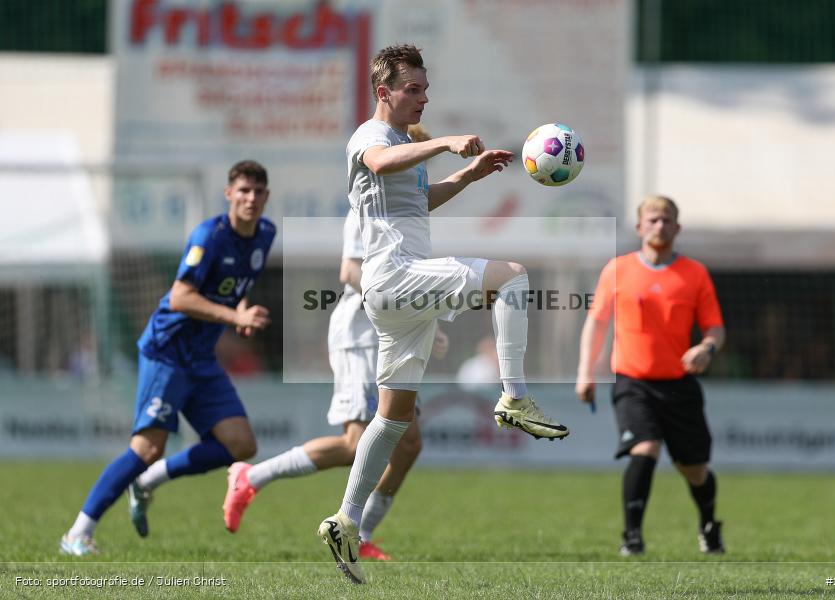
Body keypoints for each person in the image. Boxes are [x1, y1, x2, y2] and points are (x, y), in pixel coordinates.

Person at [317, 44, 569, 584]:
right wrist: (444, 142)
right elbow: (379, 161)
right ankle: (514, 397)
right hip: (396, 276)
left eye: (425, 89)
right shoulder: (371, 136)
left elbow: (419, 200)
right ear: (383, 92)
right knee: (513, 276)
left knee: (392, 419)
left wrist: (469, 175)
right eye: (412, 89)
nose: (422, 98)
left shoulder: (401, 144)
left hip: (391, 296)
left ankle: (345, 519)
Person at [59, 160, 276, 556]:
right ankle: (77, 533)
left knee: (241, 444)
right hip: (168, 351)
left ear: (266, 196)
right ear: (229, 194)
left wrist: (242, 308)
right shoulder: (209, 235)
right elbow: (180, 297)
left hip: (201, 357)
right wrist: (235, 318)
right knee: (146, 448)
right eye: (243, 191)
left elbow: (238, 282)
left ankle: (147, 481)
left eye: (258, 192)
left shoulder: (265, 234)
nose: (251, 198)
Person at [221, 209, 449, 561]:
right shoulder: (369, 206)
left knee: (408, 444)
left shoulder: (409, 208)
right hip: (360, 338)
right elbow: (351, 271)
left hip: (392, 337)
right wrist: (410, 309)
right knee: (357, 444)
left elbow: (406, 279)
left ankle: (361, 535)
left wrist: (425, 321)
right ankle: (251, 477)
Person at [575, 195, 727, 556]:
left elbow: (716, 328)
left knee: (694, 469)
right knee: (644, 449)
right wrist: (585, 372)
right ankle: (632, 537)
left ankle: (709, 525)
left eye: (666, 220)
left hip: (678, 384)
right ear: (639, 227)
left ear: (678, 227)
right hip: (632, 381)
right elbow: (596, 323)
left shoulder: (695, 273)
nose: (660, 226)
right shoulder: (617, 269)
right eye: (653, 220)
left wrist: (706, 349)